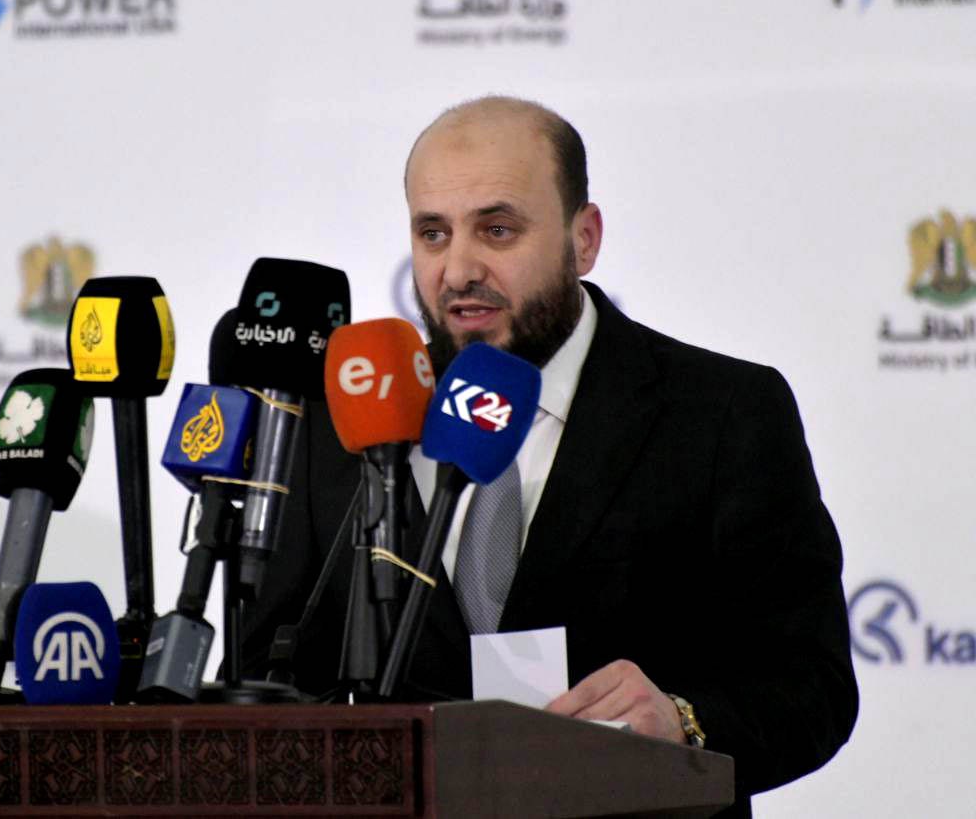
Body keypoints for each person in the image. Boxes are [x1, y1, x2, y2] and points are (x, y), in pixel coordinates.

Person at [241, 96, 857, 817]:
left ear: (584, 239)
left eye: (497, 229)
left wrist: (683, 721)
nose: (458, 269)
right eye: (433, 233)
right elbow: (267, 677)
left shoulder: (722, 413)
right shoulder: (340, 423)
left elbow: (810, 685)